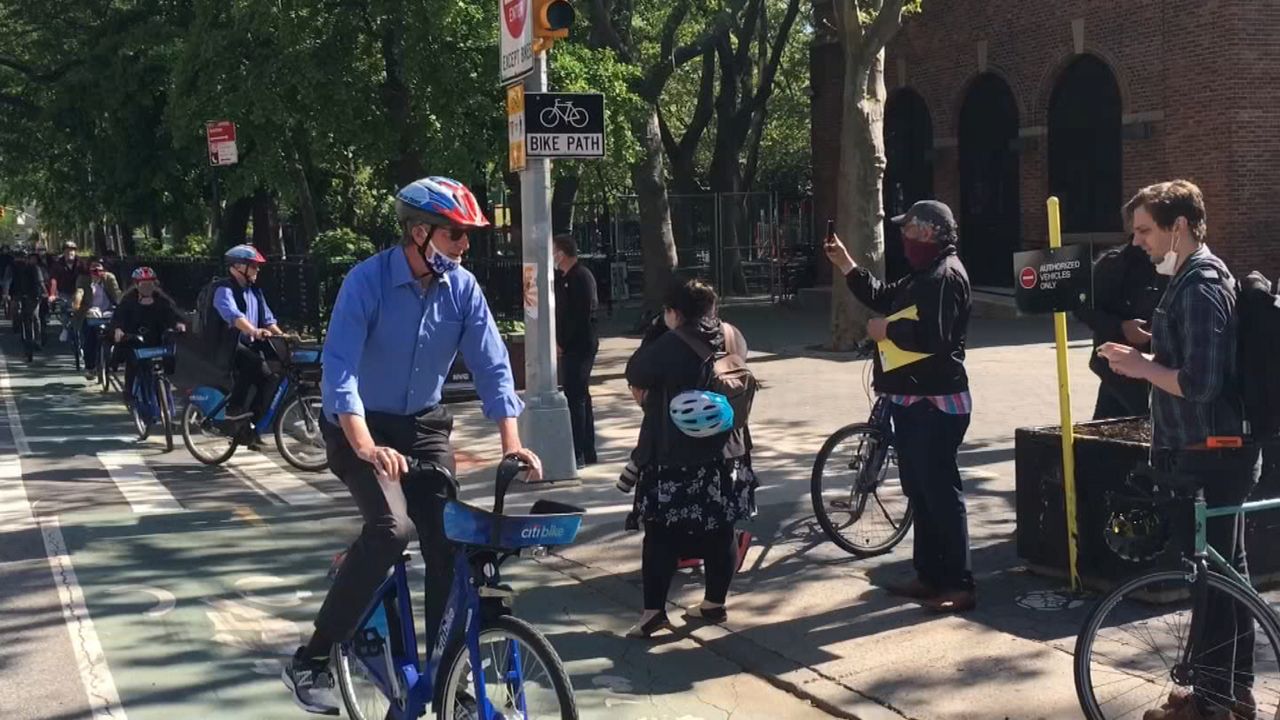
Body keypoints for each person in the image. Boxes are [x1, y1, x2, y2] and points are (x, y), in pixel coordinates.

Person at [282, 176, 543, 716]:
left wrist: (511, 443)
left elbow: (493, 365)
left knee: (449, 543)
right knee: (390, 528)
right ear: (420, 233)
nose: (465, 246)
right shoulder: (367, 282)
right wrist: (366, 445)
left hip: (424, 428)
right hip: (358, 425)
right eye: (455, 235)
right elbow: (341, 372)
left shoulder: (463, 287)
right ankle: (313, 657)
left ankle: (449, 679)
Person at [1099, 180, 1259, 720]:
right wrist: (1146, 350)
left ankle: (1212, 701)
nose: (1139, 241)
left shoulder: (1199, 284)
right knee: (1227, 574)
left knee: (1213, 580)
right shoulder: (1194, 278)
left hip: (1212, 450)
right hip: (1215, 447)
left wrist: (1141, 367)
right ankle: (1232, 691)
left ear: (1179, 227)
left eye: (1145, 230)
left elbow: (1200, 382)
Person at [824, 200, 976, 613]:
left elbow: (937, 338)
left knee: (940, 492)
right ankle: (929, 574)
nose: (903, 239)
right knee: (920, 490)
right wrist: (848, 266)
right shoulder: (923, 275)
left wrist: (887, 330)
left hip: (935, 403)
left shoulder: (945, 276)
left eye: (908, 231)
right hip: (912, 399)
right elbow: (883, 296)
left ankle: (958, 583)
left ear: (928, 233)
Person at [622, 278, 756, 638]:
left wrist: (655, 333)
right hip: (727, 452)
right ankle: (714, 603)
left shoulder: (669, 343)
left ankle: (653, 613)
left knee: (662, 533)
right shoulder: (732, 335)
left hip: (675, 455)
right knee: (721, 528)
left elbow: (635, 372)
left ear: (675, 312)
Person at [1075, 239, 1167, 419]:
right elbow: (1082, 308)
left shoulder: (1176, 264)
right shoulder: (1114, 264)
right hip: (1117, 372)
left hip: (1160, 369)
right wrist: (1121, 327)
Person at [212, 244, 284, 441]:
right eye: (253, 266)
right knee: (253, 363)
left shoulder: (255, 292)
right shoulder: (224, 290)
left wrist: (283, 337)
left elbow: (268, 321)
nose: (257, 270)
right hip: (227, 346)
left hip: (248, 345)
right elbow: (233, 316)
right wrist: (253, 330)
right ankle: (234, 408)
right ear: (238, 267)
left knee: (270, 377)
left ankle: (250, 425)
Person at [553, 234, 599, 468]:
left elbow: (580, 317)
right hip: (574, 343)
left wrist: (562, 342)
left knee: (577, 397)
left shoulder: (581, 277)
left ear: (561, 253)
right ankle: (587, 449)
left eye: (554, 251)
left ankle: (580, 451)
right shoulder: (565, 278)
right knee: (580, 396)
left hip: (580, 344)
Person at [110, 267, 186, 404]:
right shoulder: (128, 302)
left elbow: (171, 316)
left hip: (156, 341)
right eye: (143, 284)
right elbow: (118, 318)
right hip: (134, 341)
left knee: (169, 363)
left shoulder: (162, 302)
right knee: (132, 365)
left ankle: (164, 399)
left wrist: (178, 325)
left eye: (150, 284)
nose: (147, 287)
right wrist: (118, 330)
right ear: (136, 285)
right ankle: (128, 393)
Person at [73, 258, 122, 377]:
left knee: (117, 333)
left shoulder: (109, 278)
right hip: (88, 312)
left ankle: (114, 360)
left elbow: (117, 294)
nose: (96, 273)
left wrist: (123, 305)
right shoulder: (83, 279)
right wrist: (76, 304)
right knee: (89, 338)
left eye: (99, 270)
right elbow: (79, 292)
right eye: (93, 270)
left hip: (107, 311)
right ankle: (90, 366)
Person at [9, 248, 52, 346]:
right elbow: (15, 281)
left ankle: (37, 339)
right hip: (22, 294)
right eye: (30, 258)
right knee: (22, 313)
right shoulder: (21, 268)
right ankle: (25, 333)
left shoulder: (38, 268)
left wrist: (46, 294)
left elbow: (42, 282)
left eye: (34, 259)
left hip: (35, 295)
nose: (32, 260)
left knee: (35, 316)